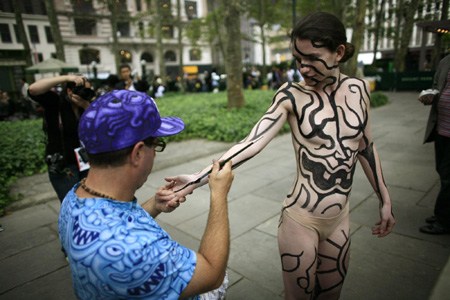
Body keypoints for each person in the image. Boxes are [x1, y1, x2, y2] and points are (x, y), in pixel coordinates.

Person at [164, 12, 395, 299]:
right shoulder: (291, 95)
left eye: (311, 58)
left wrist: (384, 199)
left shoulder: (359, 90)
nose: (303, 68)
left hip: (340, 219)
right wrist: (196, 179)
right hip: (301, 219)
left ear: (338, 53)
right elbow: (252, 142)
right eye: (299, 59)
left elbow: (366, 147)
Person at [59, 89, 234, 299]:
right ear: (138, 153)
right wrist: (219, 194)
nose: (156, 153)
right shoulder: (133, 252)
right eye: (157, 144)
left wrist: (154, 204)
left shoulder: (73, 198)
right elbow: (212, 273)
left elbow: (119, 220)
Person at [28, 75, 95, 202]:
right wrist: (66, 78)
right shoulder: (55, 103)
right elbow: (33, 90)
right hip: (64, 165)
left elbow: (101, 124)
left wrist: (85, 105)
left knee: (91, 203)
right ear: (69, 91)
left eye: (87, 90)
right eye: (80, 89)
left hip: (87, 164)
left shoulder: (87, 105)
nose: (84, 93)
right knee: (72, 205)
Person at [418, 53, 450, 234]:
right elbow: (436, 88)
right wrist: (429, 97)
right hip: (441, 129)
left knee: (448, 177)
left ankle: (443, 220)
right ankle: (443, 214)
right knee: (442, 171)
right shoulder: (445, 61)